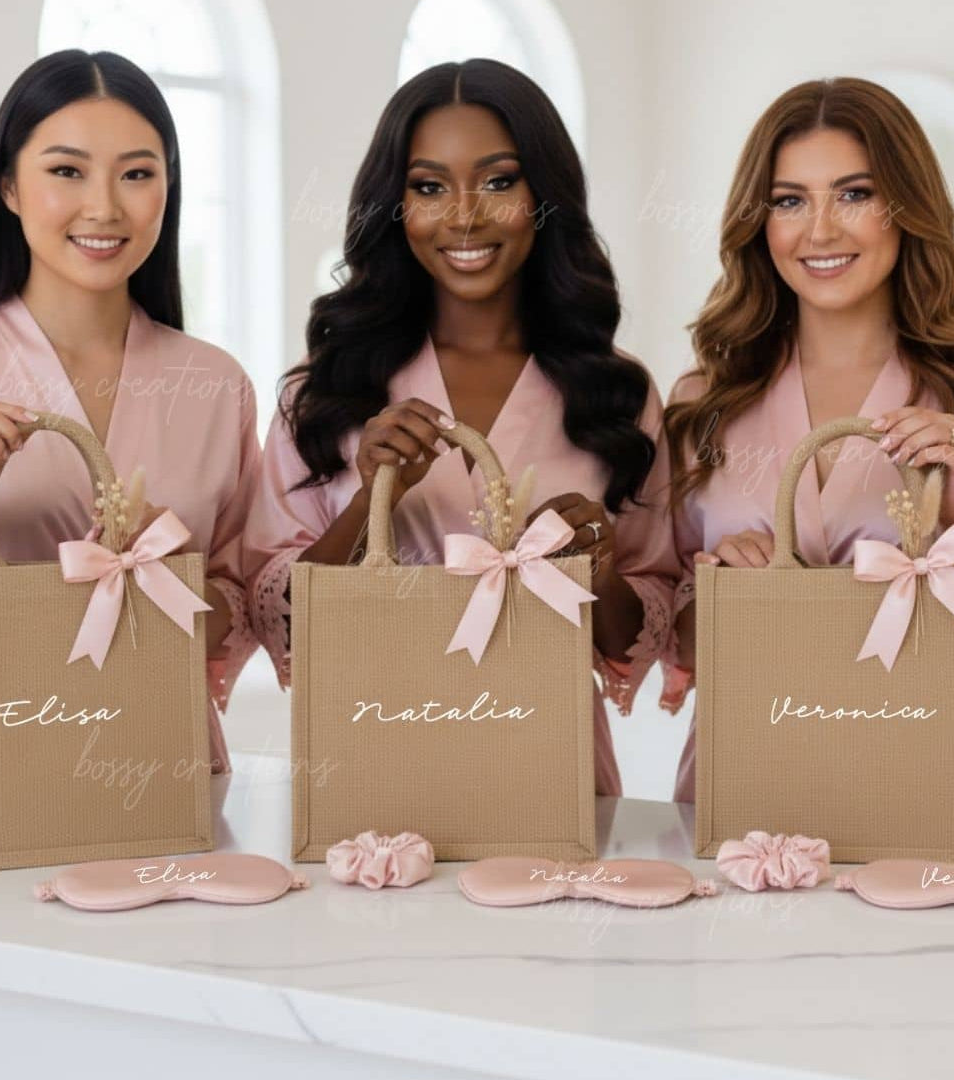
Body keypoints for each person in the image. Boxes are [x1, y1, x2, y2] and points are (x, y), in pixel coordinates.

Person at [243, 58, 680, 796]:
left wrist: (600, 569)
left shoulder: (616, 392)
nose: (465, 215)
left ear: (544, 197)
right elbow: (280, 622)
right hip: (373, 776)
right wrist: (370, 501)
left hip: (554, 779)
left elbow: (641, 634)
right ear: (394, 205)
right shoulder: (324, 393)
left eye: (499, 182)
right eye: (428, 187)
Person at [662, 76, 954, 802]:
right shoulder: (703, 401)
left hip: (928, 793)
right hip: (742, 790)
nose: (819, 231)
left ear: (907, 206)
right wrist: (725, 590)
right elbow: (678, 637)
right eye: (789, 200)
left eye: (854, 194)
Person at [0, 50, 262, 773]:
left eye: (137, 174)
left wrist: (169, 576)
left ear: (168, 187)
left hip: (165, 768)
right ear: (9, 186)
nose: (105, 207)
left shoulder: (216, 384)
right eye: (67, 171)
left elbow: (240, 610)